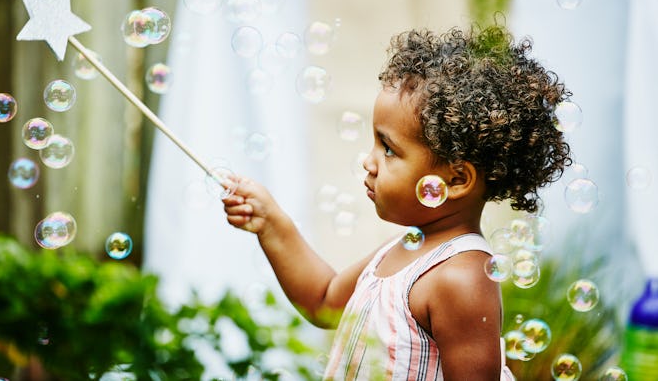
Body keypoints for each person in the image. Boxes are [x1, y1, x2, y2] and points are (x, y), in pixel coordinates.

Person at [222, 23, 572, 380]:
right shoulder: (405, 248)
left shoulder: (460, 278)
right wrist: (270, 222)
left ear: (455, 180)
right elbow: (324, 301)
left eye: (388, 149)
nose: (368, 160)